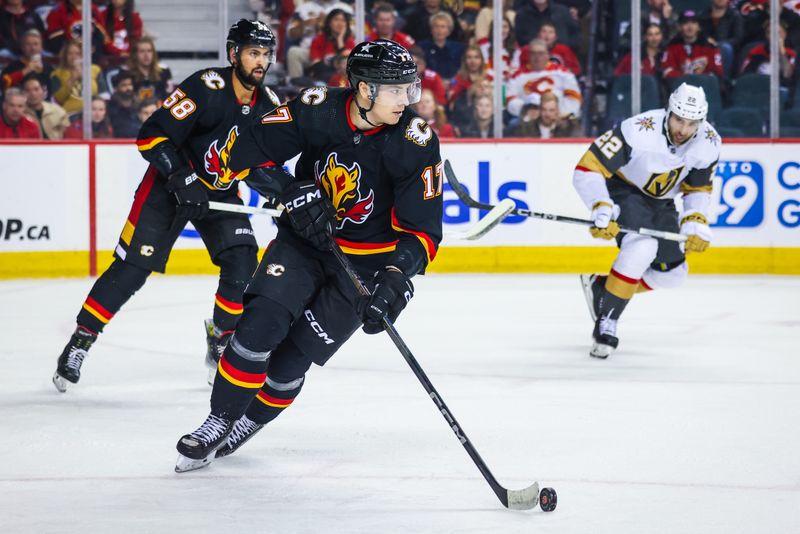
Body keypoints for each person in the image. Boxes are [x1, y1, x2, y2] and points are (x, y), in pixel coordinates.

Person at [173, 39, 443, 472]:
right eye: (395, 90)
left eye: (409, 89)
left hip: (365, 265)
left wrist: (395, 279)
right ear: (364, 89)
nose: (406, 99)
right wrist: (288, 189)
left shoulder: (415, 141)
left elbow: (423, 231)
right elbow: (245, 150)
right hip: (302, 243)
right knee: (260, 325)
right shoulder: (317, 107)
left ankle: (250, 421)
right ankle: (219, 418)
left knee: (291, 361)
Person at [52, 20, 283, 392]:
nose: (260, 61)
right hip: (166, 190)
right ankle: (81, 340)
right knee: (132, 270)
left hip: (219, 195)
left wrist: (283, 193)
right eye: (253, 52)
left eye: (265, 54)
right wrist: (181, 176)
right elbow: (152, 135)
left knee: (242, 261)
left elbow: (260, 165)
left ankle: (221, 338)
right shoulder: (206, 86)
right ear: (233, 54)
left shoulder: (268, 104)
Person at [573, 83, 720, 359]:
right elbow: (587, 168)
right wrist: (602, 207)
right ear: (668, 112)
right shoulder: (637, 130)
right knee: (642, 248)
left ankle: (603, 288)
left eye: (691, 123)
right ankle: (608, 320)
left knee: (673, 274)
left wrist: (694, 223)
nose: (683, 130)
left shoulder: (709, 143)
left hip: (661, 202)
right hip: (623, 190)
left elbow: (697, 189)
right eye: (678, 119)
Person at [506, 39, 582, 119]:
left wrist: (560, 113)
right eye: (533, 53)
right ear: (528, 56)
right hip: (528, 119)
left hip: (559, 118)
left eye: (541, 53)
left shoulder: (564, 73)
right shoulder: (517, 75)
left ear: (548, 55)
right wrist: (526, 111)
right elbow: (510, 100)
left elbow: (574, 97)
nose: (537, 57)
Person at [660, 10, 723, 80]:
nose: (690, 27)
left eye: (693, 22)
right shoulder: (671, 47)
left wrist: (697, 78)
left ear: (699, 27)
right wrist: (686, 76)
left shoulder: (711, 47)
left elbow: (717, 73)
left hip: (703, 87)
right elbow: (666, 72)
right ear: (680, 27)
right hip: (680, 87)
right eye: (685, 23)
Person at [50, 40, 109, 115]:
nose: (73, 57)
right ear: (65, 56)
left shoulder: (95, 70)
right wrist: (72, 79)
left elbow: (99, 93)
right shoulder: (57, 74)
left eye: (77, 54)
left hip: (93, 112)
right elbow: (59, 99)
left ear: (82, 55)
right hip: (70, 113)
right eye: (70, 54)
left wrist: (83, 76)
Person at [1, 29, 53, 93]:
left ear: (41, 47)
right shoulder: (12, 67)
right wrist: (27, 70)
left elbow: (57, 90)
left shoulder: (48, 68)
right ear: (22, 47)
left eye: (36, 44)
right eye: (28, 44)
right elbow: (2, 84)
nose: (33, 48)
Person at [125, 36, 173, 103]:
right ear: (135, 54)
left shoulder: (164, 71)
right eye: (142, 51)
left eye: (149, 51)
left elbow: (168, 96)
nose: (146, 55)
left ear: (154, 53)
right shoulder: (126, 73)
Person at [23, 73, 69, 140]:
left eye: (36, 89)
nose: (32, 94)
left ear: (44, 91)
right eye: (28, 90)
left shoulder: (57, 111)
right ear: (23, 93)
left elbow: (68, 134)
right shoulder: (20, 112)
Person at [107, 70, 141, 137]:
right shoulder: (110, 106)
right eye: (124, 85)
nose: (128, 88)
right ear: (116, 88)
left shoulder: (140, 105)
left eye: (130, 84)